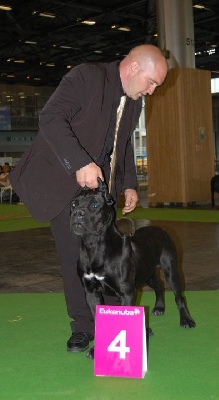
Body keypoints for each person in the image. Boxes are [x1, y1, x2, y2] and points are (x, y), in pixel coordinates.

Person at [10, 44, 168, 353]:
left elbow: (122, 146)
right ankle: (82, 327)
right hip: (60, 181)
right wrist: (79, 162)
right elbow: (51, 118)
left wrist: (129, 183)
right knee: (76, 261)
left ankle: (116, 326)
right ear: (134, 68)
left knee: (110, 257)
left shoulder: (133, 103)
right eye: (151, 82)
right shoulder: (86, 77)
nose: (151, 91)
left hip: (98, 191)